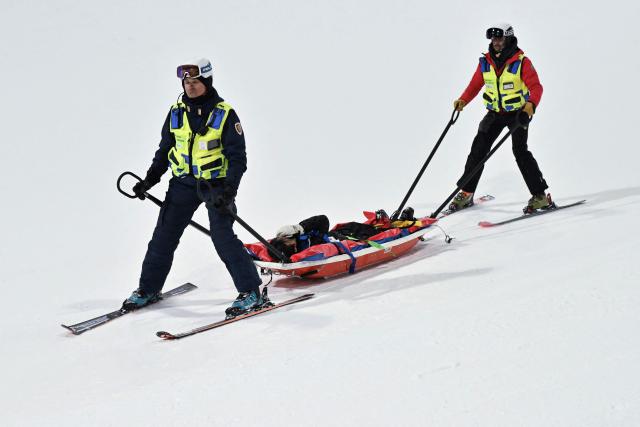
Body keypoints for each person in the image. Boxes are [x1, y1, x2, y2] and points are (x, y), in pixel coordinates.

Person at [123, 58, 263, 317]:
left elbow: (237, 158)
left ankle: (251, 291)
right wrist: (149, 180)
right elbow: (164, 150)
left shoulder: (224, 114)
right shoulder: (176, 111)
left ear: (207, 82)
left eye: (195, 82)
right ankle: (148, 289)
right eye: (186, 82)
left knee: (222, 236)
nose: (190, 87)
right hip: (182, 184)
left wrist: (229, 190)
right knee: (163, 237)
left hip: (216, 185)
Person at [450, 23, 553, 214]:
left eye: (500, 38)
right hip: (495, 114)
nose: (496, 42)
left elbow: (536, 87)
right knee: (478, 150)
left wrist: (530, 105)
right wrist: (463, 100)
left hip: (518, 114)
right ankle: (466, 193)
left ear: (508, 39)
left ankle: (540, 196)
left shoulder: (521, 62)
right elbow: (475, 85)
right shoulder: (485, 62)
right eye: (493, 39)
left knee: (520, 151)